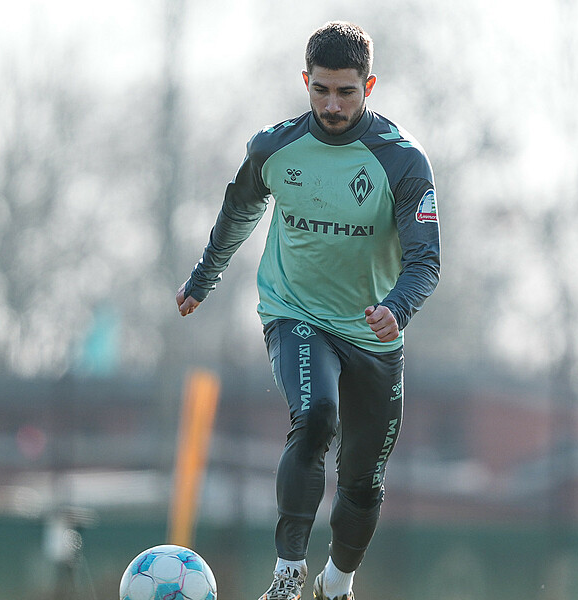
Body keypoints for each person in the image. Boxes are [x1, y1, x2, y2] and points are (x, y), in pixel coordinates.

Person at [176, 20, 440, 600]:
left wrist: (398, 308)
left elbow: (425, 261)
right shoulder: (275, 147)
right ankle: (288, 574)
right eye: (320, 89)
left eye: (346, 91)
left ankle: (336, 582)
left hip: (373, 333)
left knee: (365, 483)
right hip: (295, 312)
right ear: (305, 81)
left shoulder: (402, 161)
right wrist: (204, 276)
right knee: (316, 415)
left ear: (369, 86)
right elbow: (239, 211)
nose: (332, 104)